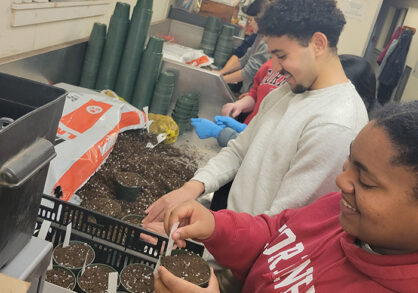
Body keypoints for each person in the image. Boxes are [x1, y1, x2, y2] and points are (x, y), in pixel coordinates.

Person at [143, 0, 368, 226]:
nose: (276, 68)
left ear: (318, 43)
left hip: (250, 252)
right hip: (230, 235)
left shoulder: (337, 125)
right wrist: (192, 187)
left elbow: (282, 224)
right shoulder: (284, 94)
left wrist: (209, 232)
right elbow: (239, 151)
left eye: (282, 56)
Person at [155, 101, 418, 293]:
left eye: (367, 182)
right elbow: (277, 233)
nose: (341, 181)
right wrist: (216, 226)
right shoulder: (337, 212)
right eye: (349, 162)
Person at [192, 58, 286, 147]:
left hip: (260, 141)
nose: (275, 67)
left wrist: (217, 132)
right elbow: (255, 94)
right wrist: (239, 105)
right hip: (248, 130)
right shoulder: (270, 64)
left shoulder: (296, 84)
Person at [215, 0, 271, 94]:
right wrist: (221, 72)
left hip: (253, 95)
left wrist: (221, 80)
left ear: (261, 19)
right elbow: (244, 60)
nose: (249, 24)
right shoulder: (259, 36)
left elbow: (249, 71)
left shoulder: (267, 43)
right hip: (245, 91)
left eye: (251, 20)